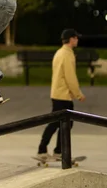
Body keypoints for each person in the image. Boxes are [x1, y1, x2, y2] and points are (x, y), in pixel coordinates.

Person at [36, 28, 87, 159]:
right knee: (59, 123)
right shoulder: (67, 55)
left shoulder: (60, 52)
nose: (77, 40)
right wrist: (78, 94)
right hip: (63, 95)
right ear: (71, 39)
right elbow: (70, 77)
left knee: (62, 123)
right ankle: (44, 149)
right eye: (76, 38)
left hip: (58, 93)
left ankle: (57, 150)